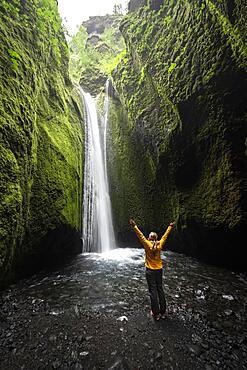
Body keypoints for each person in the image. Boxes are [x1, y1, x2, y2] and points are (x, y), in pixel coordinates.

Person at [129, 218, 175, 321]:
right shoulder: (160, 244)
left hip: (150, 270)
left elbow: (140, 235)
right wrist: (170, 226)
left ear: (149, 238)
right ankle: (163, 312)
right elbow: (165, 236)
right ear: (156, 238)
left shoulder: (147, 244)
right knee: (160, 290)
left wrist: (134, 226)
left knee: (153, 291)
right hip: (159, 269)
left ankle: (156, 313)